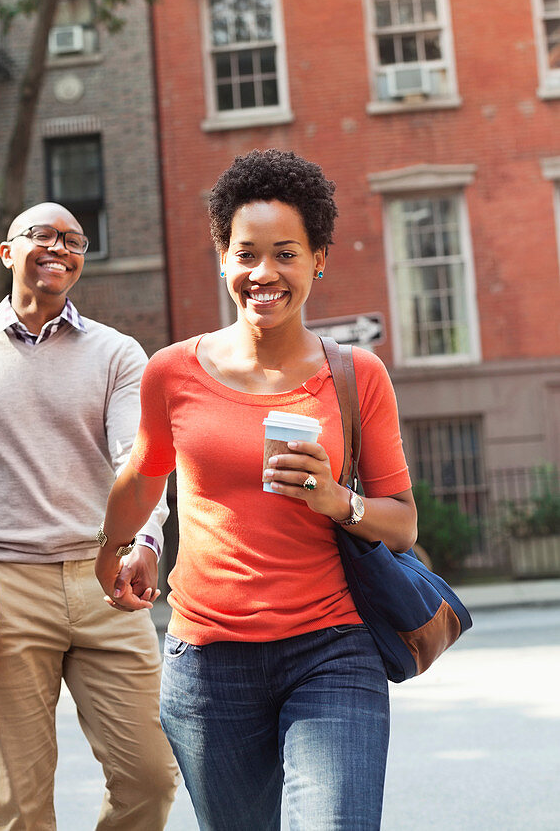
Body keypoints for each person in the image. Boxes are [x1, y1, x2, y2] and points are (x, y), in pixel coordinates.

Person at [96, 149, 417, 831]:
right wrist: (112, 546)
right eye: (245, 254)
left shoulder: (358, 376)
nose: (263, 273)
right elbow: (142, 478)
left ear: (318, 259)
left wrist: (340, 502)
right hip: (209, 664)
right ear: (221, 257)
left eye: (286, 254)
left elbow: (402, 524)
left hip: (332, 647)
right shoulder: (171, 373)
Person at [0, 201, 179, 831]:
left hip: (106, 582)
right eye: (43, 235)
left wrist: (146, 541)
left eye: (75, 240)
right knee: (20, 803)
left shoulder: (117, 353)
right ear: (7, 252)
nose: (60, 247)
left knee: (151, 777)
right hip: (6, 590)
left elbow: (138, 460)